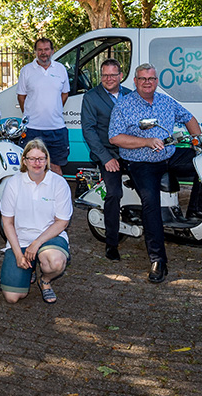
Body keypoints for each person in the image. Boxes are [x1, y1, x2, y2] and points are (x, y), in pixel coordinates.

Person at [108, 63, 202, 284]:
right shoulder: (124, 105)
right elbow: (114, 137)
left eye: (151, 79)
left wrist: (199, 141)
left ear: (157, 81)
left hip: (168, 155)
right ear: (135, 81)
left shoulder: (165, 101)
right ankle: (158, 260)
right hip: (141, 162)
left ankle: (195, 213)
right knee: (150, 204)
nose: (147, 82)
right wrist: (146, 142)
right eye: (142, 79)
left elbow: (189, 118)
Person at [0, 139, 72, 304]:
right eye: (32, 158)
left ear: (47, 160)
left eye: (41, 158)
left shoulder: (59, 183)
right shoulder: (13, 183)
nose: (36, 163)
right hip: (20, 239)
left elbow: (62, 222)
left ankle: (45, 281)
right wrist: (18, 254)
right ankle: (28, 267)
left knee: (55, 263)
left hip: (49, 237)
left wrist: (37, 243)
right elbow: (7, 222)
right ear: (24, 160)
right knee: (12, 298)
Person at [80, 59, 132, 261]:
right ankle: (112, 243)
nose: (109, 79)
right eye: (105, 75)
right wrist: (106, 158)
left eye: (113, 75)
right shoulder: (91, 97)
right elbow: (89, 131)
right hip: (108, 154)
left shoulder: (130, 95)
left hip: (132, 152)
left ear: (120, 75)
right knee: (114, 193)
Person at [17, 37, 70, 173]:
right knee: (32, 168)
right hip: (32, 129)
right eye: (40, 50)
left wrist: (54, 109)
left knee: (56, 167)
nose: (43, 53)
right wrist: (30, 114)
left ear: (52, 51)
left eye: (46, 49)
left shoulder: (61, 69)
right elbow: (21, 97)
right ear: (35, 52)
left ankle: (57, 195)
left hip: (57, 129)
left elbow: (64, 94)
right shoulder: (26, 70)